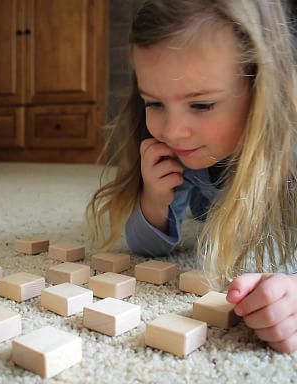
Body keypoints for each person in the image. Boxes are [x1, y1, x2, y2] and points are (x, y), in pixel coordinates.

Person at [86, 0, 297, 352]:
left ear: (263, 88)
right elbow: (146, 249)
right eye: (154, 103)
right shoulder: (173, 149)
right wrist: (154, 200)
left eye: (201, 105)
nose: (172, 130)